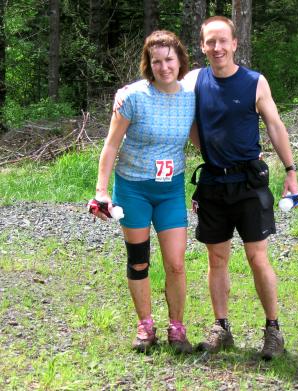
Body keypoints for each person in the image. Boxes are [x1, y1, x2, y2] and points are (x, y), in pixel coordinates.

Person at [188, 16, 298, 360]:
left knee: (257, 257)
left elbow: (276, 126)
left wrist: (292, 173)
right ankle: (221, 327)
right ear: (203, 45)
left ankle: (273, 330)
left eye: (223, 41)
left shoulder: (254, 82)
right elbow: (178, 110)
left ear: (235, 44)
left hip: (249, 183)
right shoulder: (194, 80)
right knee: (216, 257)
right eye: (211, 42)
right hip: (213, 183)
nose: (217, 47)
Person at [92, 30, 198, 354]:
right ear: (148, 64)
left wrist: (233, 162)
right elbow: (111, 146)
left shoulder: (192, 96)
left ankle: (177, 328)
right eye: (156, 61)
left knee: (176, 264)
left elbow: (200, 140)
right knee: (139, 262)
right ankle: (145, 325)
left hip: (169, 191)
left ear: (180, 59)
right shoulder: (134, 97)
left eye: (169, 59)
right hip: (133, 189)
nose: (164, 66)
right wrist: (101, 191)